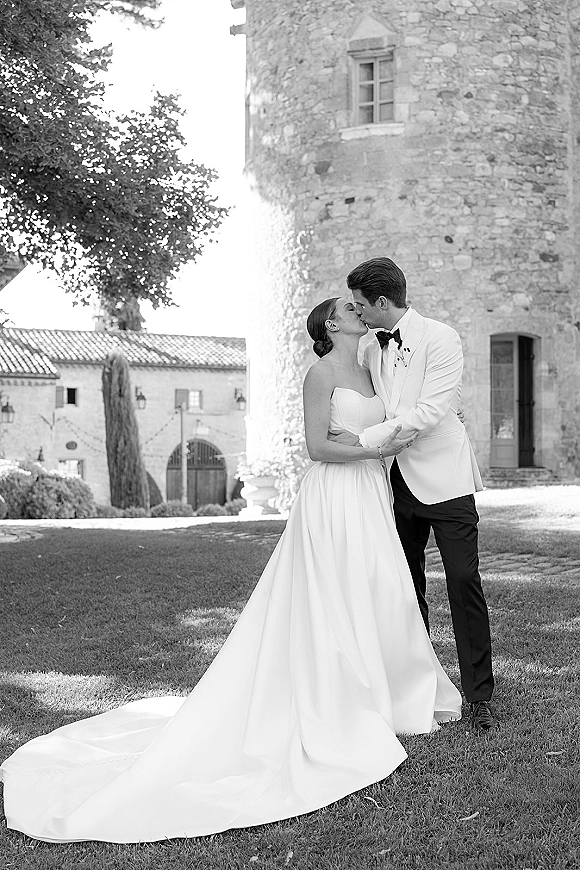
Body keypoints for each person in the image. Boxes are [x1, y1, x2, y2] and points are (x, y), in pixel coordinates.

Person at [0, 298, 462, 845]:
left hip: (370, 495)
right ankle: (335, 696)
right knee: (331, 593)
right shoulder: (320, 374)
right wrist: (371, 446)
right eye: (347, 308)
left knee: (381, 589)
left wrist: (382, 444)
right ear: (330, 324)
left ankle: (390, 690)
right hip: (334, 495)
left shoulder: (372, 364)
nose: (358, 310)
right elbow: (318, 446)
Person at [339, 257, 495, 731]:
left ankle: (479, 696)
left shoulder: (441, 337)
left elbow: (430, 409)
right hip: (395, 484)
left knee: (463, 582)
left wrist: (363, 442)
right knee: (405, 589)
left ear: (383, 302)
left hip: (446, 482)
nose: (358, 313)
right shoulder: (368, 349)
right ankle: (415, 688)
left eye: (362, 305)